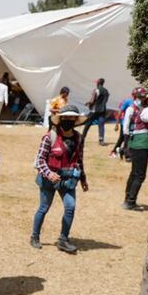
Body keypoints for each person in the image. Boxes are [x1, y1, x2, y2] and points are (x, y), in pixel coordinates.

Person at [30, 105, 90, 253]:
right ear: (60, 119)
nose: (68, 120)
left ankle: (63, 240)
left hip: (68, 180)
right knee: (44, 208)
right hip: (48, 180)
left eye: (71, 118)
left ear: (76, 120)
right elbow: (39, 160)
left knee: (70, 207)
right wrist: (49, 173)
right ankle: (35, 236)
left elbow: (79, 159)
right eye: (65, 117)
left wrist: (83, 178)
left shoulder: (78, 138)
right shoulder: (49, 137)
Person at [123, 90, 148, 211]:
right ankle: (130, 202)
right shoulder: (147, 110)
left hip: (139, 145)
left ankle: (128, 199)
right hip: (141, 146)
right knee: (139, 175)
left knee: (134, 173)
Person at [109, 89, 138, 160]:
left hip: (134, 124)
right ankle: (117, 152)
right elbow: (120, 112)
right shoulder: (128, 101)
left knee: (125, 138)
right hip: (125, 123)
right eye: (134, 94)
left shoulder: (138, 103)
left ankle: (120, 151)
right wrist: (116, 124)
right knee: (124, 138)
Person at [82, 78, 110, 145]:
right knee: (101, 125)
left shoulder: (96, 90)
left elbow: (92, 100)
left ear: (98, 83)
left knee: (88, 124)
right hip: (102, 110)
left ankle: (82, 138)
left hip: (94, 110)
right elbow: (105, 101)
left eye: (96, 82)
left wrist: (88, 103)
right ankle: (101, 140)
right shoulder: (106, 91)